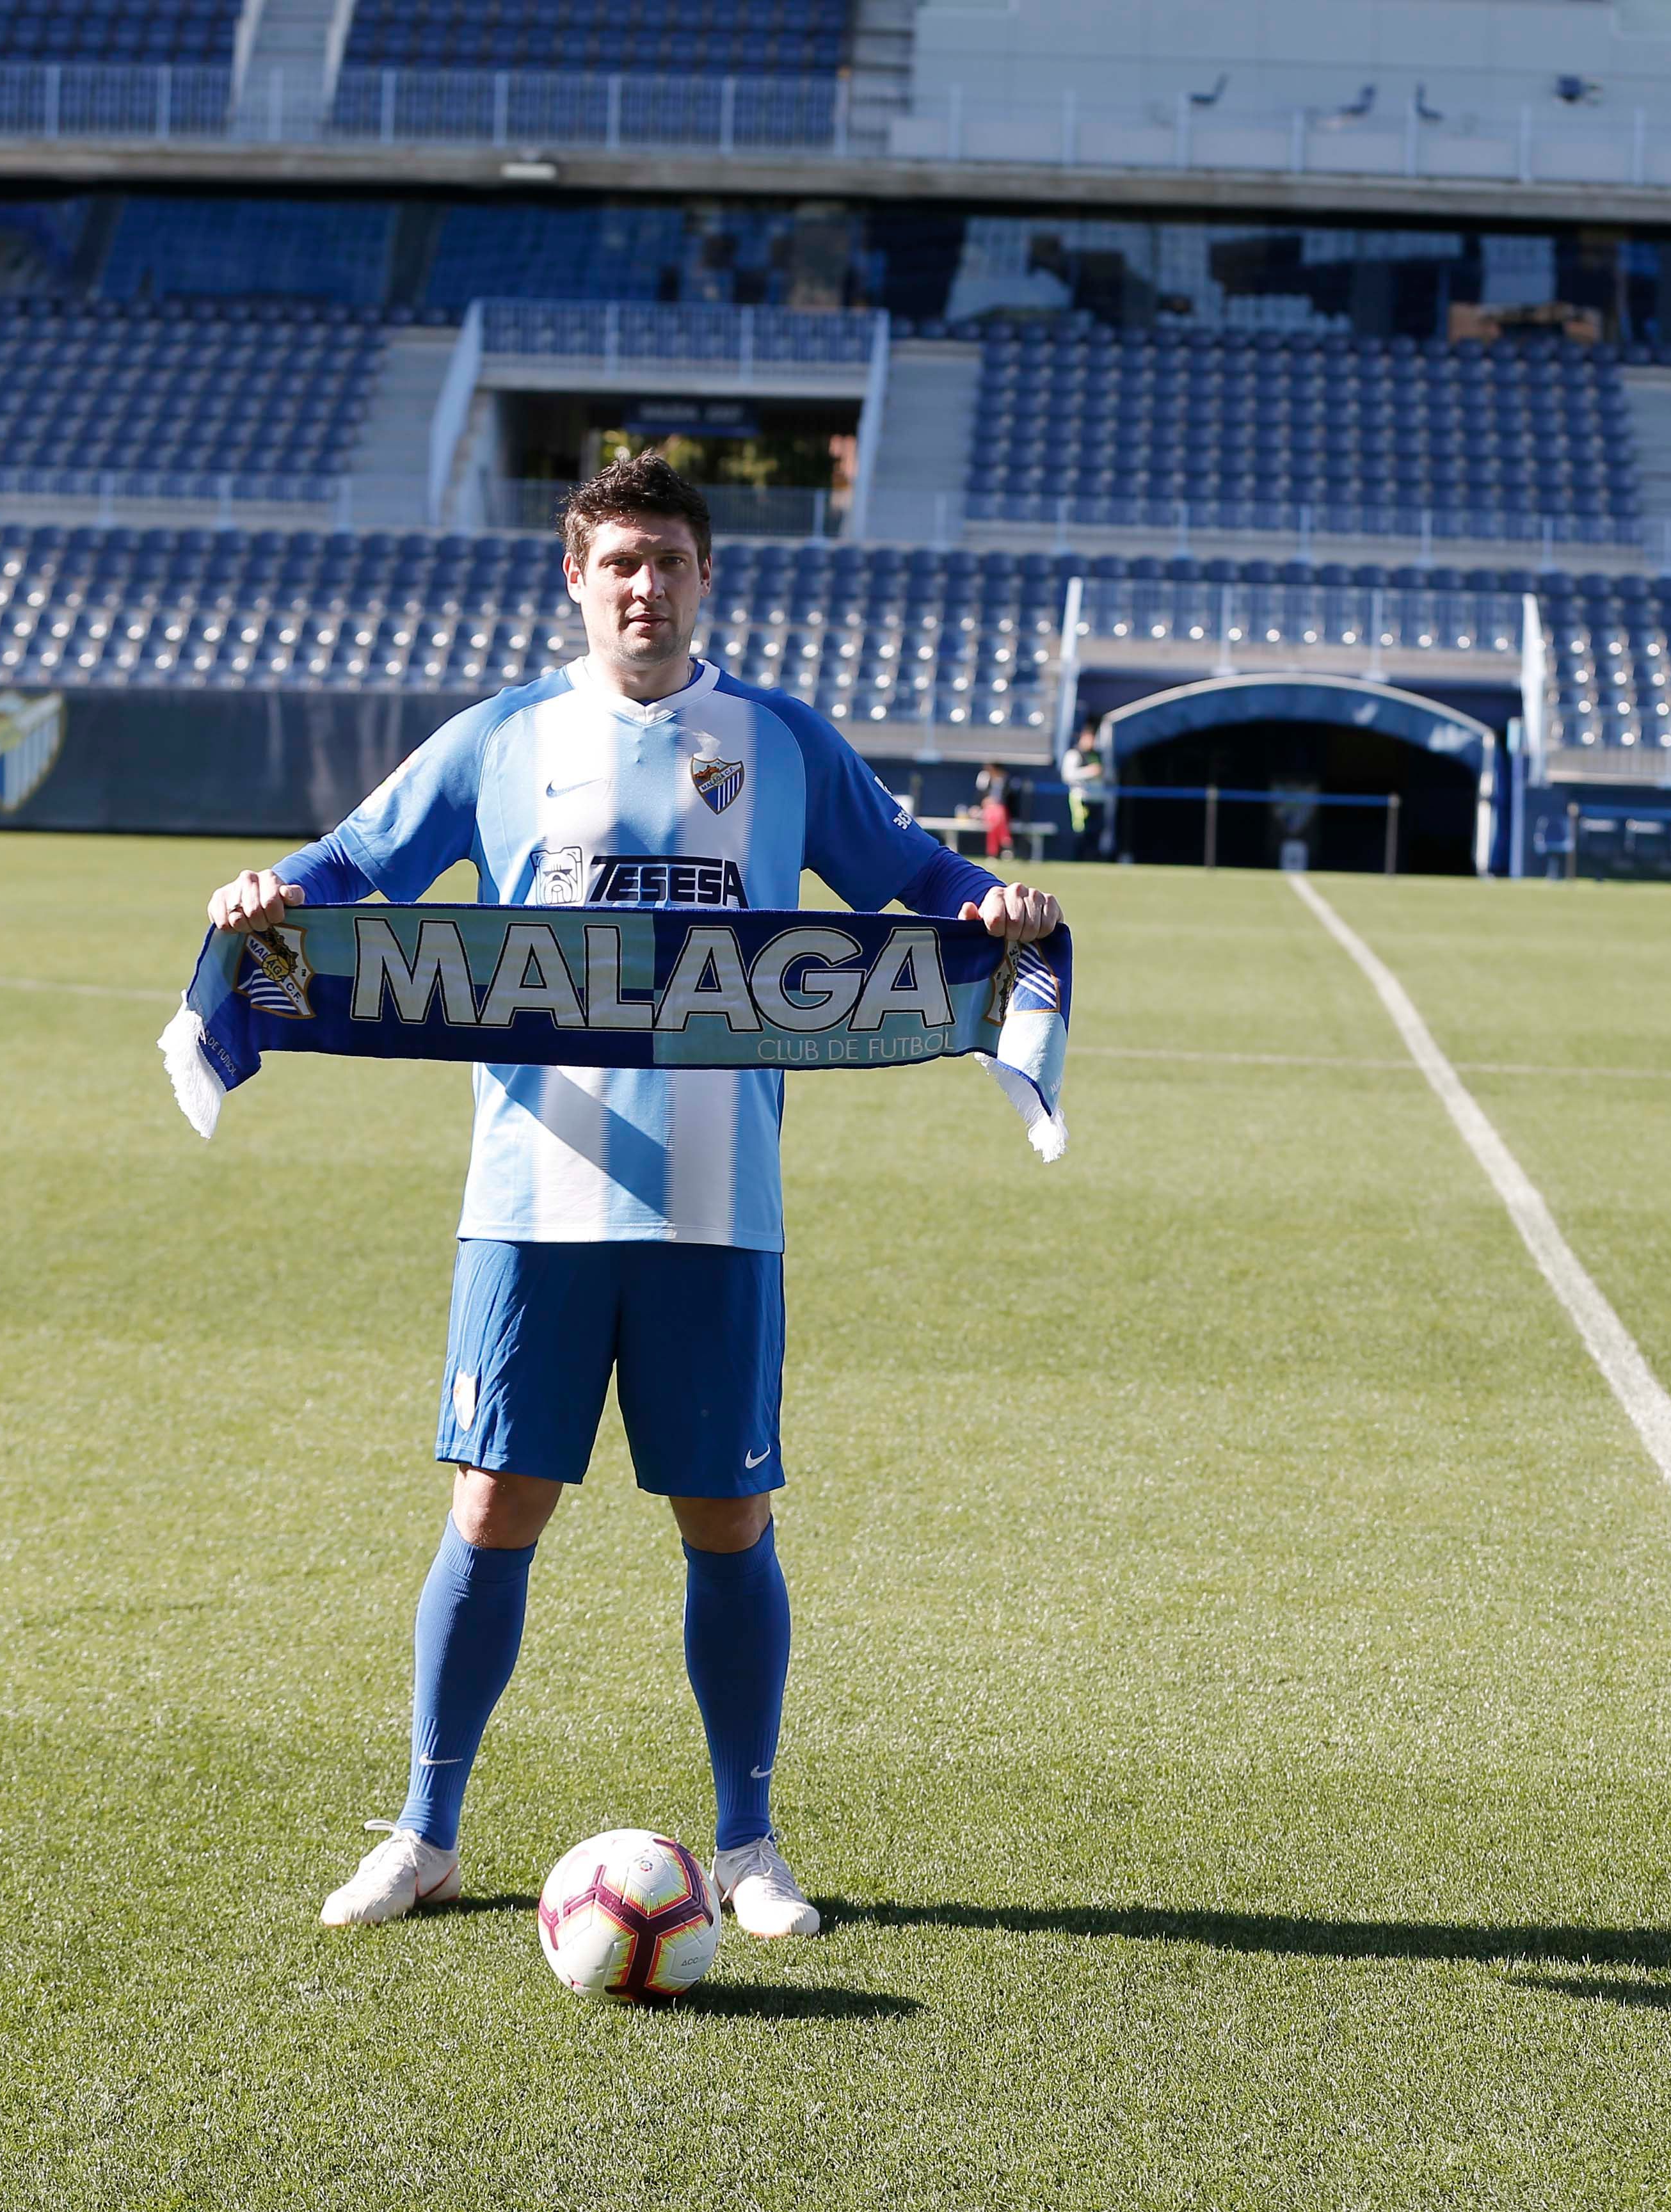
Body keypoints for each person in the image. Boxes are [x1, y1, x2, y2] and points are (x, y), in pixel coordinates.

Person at [204, 454, 1063, 1940]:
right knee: (491, 1501)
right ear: (575, 580)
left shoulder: (780, 742)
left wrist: (989, 915)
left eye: (667, 560)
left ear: (704, 573)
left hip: (718, 1202)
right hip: (532, 1196)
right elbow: (359, 860)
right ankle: (426, 1828)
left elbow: (911, 878)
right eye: (617, 565)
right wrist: (265, 894)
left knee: (726, 1512)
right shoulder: (504, 736)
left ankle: (748, 1842)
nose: (643, 588)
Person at [974, 760, 1012, 862]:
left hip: (1001, 811)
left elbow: (1007, 799)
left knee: (995, 819)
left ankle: (992, 853)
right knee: (996, 817)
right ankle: (1006, 843)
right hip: (988, 810)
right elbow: (980, 797)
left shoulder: (1005, 780)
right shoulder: (984, 778)